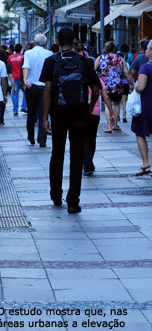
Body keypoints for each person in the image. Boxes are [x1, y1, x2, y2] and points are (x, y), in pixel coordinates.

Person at [41, 28, 100, 213]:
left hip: (59, 113)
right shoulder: (84, 61)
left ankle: (56, 195)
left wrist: (45, 117)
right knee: (77, 156)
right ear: (75, 40)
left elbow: (48, 90)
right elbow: (96, 89)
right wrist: (89, 107)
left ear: (57, 41)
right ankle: (73, 201)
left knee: (57, 154)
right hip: (79, 114)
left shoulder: (51, 61)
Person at [95, 41, 134, 133]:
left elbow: (93, 70)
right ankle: (115, 124)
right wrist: (132, 84)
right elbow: (127, 72)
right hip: (117, 85)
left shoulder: (100, 58)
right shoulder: (120, 58)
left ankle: (109, 126)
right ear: (114, 49)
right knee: (116, 104)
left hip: (105, 85)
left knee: (108, 104)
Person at [83, 68, 115, 176]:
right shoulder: (98, 80)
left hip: (82, 112)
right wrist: (112, 113)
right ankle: (89, 162)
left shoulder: (81, 79)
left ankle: (88, 164)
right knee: (92, 138)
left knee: (84, 139)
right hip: (95, 113)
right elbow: (106, 97)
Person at [22, 34, 52, 147]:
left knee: (31, 113)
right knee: (43, 114)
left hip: (31, 86)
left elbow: (26, 67)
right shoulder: (48, 53)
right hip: (45, 88)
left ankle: (31, 136)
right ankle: (42, 139)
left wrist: (25, 80)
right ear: (45, 44)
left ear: (34, 43)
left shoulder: (28, 53)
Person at [131, 40, 152, 176]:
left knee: (140, 132)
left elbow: (140, 87)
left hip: (147, 105)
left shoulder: (146, 67)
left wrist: (137, 84)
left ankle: (146, 164)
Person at [8, 43, 25, 116]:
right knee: (25, 92)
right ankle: (23, 106)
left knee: (14, 93)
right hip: (22, 77)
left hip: (13, 77)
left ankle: (15, 109)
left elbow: (9, 68)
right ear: (21, 49)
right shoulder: (23, 57)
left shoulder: (10, 57)